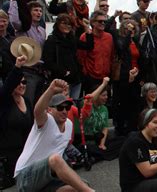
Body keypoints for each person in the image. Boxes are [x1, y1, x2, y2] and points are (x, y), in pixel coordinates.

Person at [14, 79, 94, 191]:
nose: (65, 111)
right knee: (55, 159)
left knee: (81, 186)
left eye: (67, 107)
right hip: (26, 177)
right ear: (49, 110)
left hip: (47, 179)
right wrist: (51, 90)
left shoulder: (69, 124)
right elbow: (38, 110)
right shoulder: (46, 121)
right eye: (60, 108)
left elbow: (83, 116)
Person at [42, 13, 94, 100]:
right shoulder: (52, 40)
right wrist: (63, 72)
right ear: (58, 24)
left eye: (69, 24)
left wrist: (87, 29)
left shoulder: (72, 39)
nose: (67, 26)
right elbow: (48, 61)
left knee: (73, 106)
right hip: (61, 81)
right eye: (64, 23)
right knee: (61, 106)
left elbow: (89, 46)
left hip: (75, 80)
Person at [0, 56, 33, 188]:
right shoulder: (4, 102)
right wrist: (18, 66)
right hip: (8, 154)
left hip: (25, 152)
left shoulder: (28, 102)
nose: (22, 85)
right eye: (19, 82)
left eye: (24, 82)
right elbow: (7, 86)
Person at [77, 10, 114, 94]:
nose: (103, 23)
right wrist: (86, 74)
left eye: (105, 21)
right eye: (100, 21)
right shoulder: (85, 36)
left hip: (105, 77)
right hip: (91, 78)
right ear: (93, 23)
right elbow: (81, 57)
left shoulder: (109, 37)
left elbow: (111, 56)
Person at [0, 10, 15, 85]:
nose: (2, 24)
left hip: (11, 75)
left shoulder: (13, 40)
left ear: (8, 22)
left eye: (4, 21)